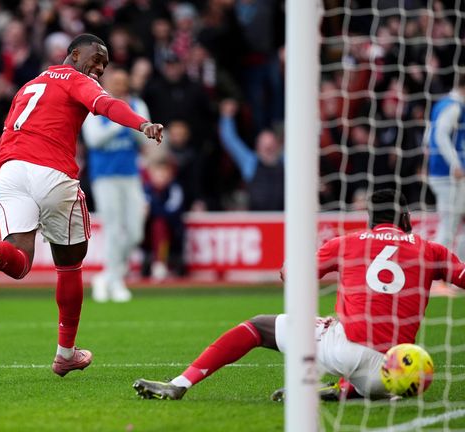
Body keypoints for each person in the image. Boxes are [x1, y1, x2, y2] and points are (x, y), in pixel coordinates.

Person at [133, 190, 465, 400]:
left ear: (369, 220)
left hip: (344, 351)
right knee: (357, 340)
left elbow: (292, 277)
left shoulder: (347, 242)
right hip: (393, 371)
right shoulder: (431, 250)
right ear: (406, 220)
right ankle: (347, 390)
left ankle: (180, 383)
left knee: (259, 326)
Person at [0, 34, 163, 377]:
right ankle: (65, 353)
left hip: (8, 169)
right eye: (97, 58)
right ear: (74, 54)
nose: (101, 67)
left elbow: (2, 143)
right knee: (70, 264)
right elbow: (107, 105)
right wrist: (142, 124)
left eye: (105, 64)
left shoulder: (30, 85)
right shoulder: (75, 79)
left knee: (19, 263)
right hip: (50, 170)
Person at [81, 67, 149, 303]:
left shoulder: (137, 105)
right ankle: (117, 280)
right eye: (115, 82)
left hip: (130, 175)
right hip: (105, 176)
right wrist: (123, 120)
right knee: (113, 228)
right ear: (107, 83)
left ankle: (107, 277)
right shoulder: (96, 107)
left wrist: (132, 117)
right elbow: (94, 140)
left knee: (135, 231)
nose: (120, 86)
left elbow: (145, 136)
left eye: (123, 81)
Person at [218, 99, 284, 211]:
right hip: (256, 220)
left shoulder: (286, 161)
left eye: (271, 145)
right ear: (257, 147)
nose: (268, 149)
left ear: (277, 146)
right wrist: (227, 117)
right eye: (264, 146)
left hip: (283, 219)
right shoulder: (250, 162)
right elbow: (230, 140)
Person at [426, 79, 465, 259]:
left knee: (456, 221)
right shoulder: (454, 106)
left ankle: (457, 269)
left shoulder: (442, 103)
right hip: (448, 174)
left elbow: (427, 137)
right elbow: (440, 135)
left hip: (443, 172)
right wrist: (455, 164)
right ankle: (437, 273)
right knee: (449, 223)